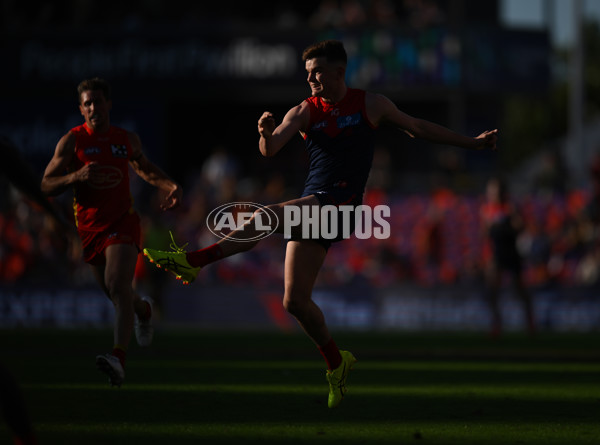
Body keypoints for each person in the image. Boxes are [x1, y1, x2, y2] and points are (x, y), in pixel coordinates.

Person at [143, 40, 497, 408]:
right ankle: (336, 362)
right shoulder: (304, 111)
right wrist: (265, 133)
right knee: (294, 301)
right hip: (314, 207)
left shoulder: (370, 104)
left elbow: (418, 127)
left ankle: (193, 261)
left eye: (317, 71)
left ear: (338, 72)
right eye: (307, 72)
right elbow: (271, 148)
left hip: (340, 206)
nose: (310, 78)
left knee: (267, 216)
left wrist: (472, 144)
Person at [41, 77, 182, 387]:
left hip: (123, 222)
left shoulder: (126, 140)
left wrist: (169, 184)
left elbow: (143, 168)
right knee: (116, 294)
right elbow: (46, 184)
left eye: (98, 102)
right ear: (81, 109)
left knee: (117, 285)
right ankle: (144, 310)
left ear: (108, 105)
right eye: (87, 103)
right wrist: (75, 176)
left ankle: (118, 358)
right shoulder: (72, 142)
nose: (94, 108)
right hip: (90, 230)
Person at [480, 176, 535, 336]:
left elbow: (520, 226)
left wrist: (505, 225)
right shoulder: (486, 210)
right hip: (497, 253)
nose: (492, 194)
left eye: (494, 190)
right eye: (490, 191)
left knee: (520, 290)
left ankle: (530, 323)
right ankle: (497, 324)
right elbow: (484, 233)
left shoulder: (510, 208)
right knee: (493, 291)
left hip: (511, 252)